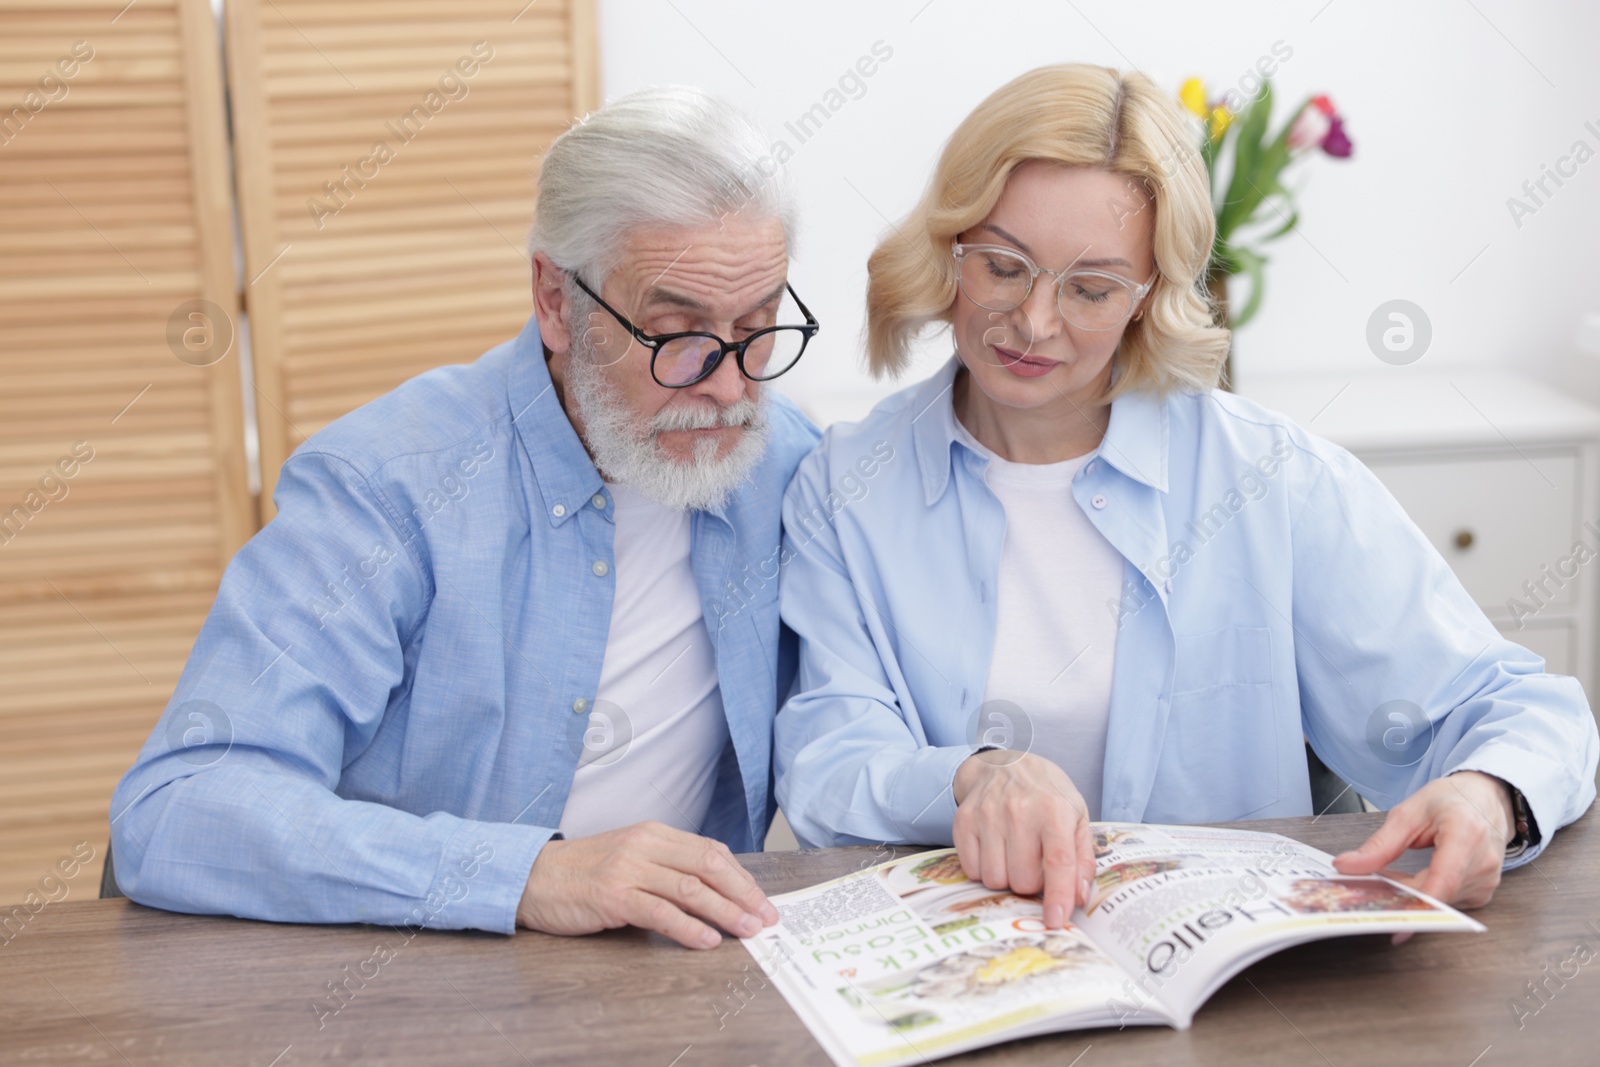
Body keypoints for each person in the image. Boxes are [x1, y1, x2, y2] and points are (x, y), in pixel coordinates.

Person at [773, 64, 1598, 929]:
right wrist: (969, 777)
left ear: (1148, 299)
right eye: (1004, 266)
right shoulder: (846, 487)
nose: (1035, 322)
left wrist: (1487, 793)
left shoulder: (1269, 480)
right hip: (962, 978)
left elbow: (1519, 708)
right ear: (948, 248)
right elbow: (829, 760)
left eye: (1091, 289)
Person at [109, 86, 822, 950]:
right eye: (677, 332)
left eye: (758, 326)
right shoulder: (388, 486)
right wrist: (526, 874)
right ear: (557, 301)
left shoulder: (783, 464)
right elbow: (177, 807)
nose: (729, 386)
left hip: (670, 985)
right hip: (412, 990)